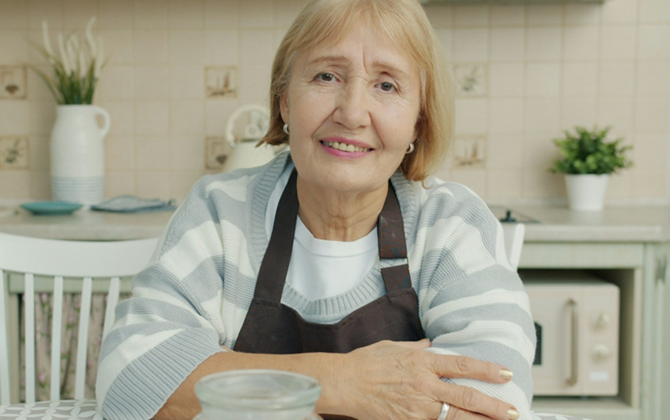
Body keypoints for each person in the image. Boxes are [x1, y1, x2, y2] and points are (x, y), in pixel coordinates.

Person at [96, 0, 536, 419]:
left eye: (387, 85)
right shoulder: (218, 213)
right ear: (285, 99)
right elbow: (130, 378)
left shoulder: (451, 224)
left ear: (418, 121)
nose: (352, 113)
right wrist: (341, 381)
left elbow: (497, 392)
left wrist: (242, 386)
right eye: (327, 76)